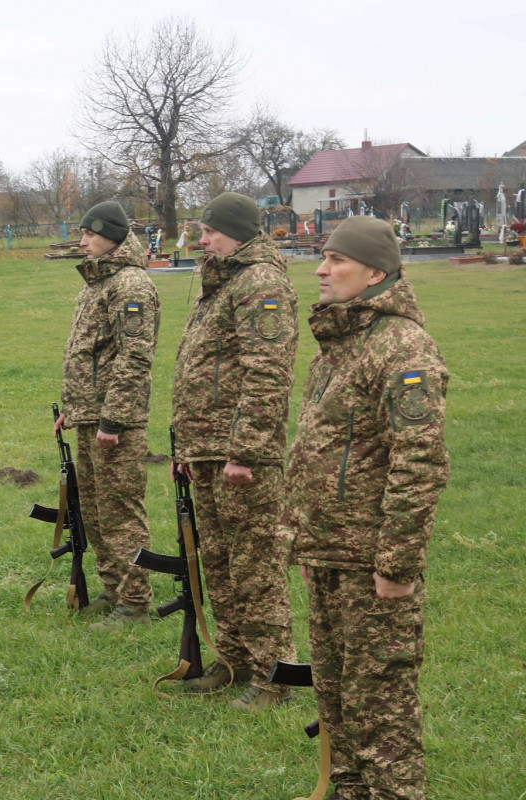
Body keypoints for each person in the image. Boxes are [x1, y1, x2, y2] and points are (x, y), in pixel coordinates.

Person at [284, 216, 449, 800]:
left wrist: (396, 565)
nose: (322, 270)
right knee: (337, 699)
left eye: (337, 261)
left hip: (372, 562)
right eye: (322, 258)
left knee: (380, 708)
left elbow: (419, 461)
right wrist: (303, 539)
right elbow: (317, 448)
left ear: (375, 273)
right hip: (331, 551)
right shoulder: (340, 340)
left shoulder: (403, 348)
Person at [170, 193, 299, 710]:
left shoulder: (260, 283)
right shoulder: (222, 278)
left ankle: (276, 677)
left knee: (255, 564)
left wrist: (245, 450)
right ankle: (236, 659)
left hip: (241, 455)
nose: (202, 239)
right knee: (219, 560)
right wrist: (185, 443)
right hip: (207, 447)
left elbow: (266, 372)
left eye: (210, 231)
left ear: (238, 231)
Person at [55, 200, 160, 631]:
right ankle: (114, 588)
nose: (82, 242)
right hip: (90, 417)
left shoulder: (131, 286)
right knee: (95, 510)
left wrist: (113, 420)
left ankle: (135, 602)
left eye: (90, 235)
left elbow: (134, 356)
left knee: (120, 509)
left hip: (115, 424)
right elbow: (89, 355)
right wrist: (75, 412)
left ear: (113, 237)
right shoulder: (97, 282)